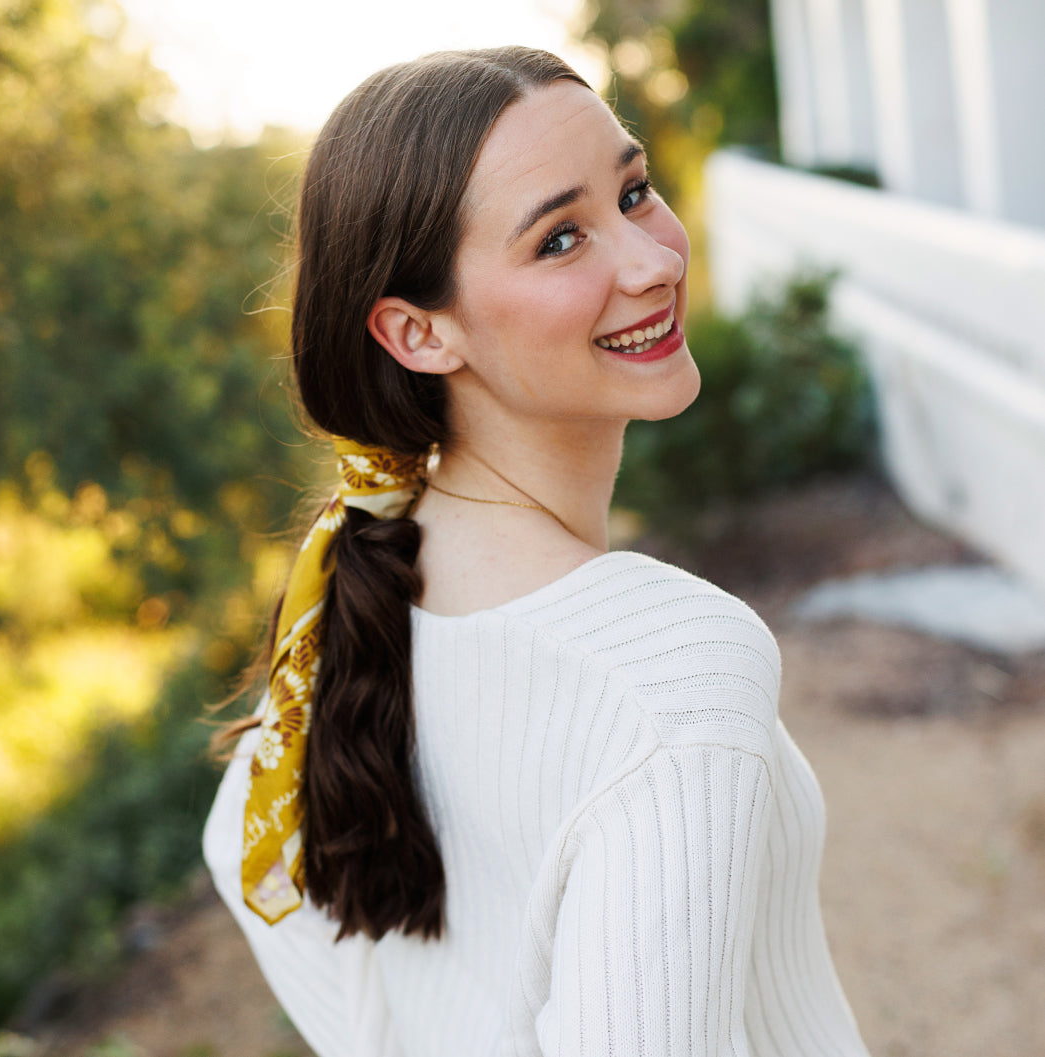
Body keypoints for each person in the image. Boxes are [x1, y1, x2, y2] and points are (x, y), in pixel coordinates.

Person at [203, 46, 871, 1057]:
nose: (654, 261)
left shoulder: (368, 565)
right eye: (561, 239)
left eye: (635, 193)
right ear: (419, 334)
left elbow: (236, 844)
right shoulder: (670, 667)